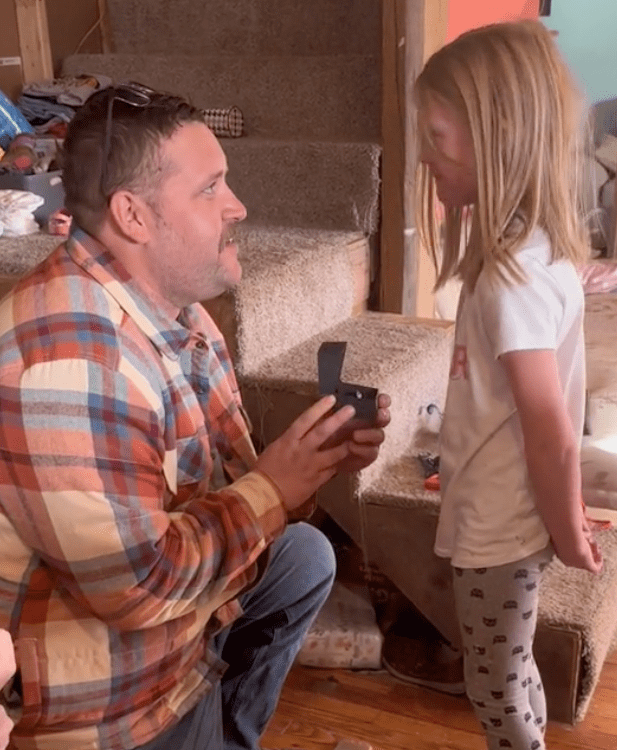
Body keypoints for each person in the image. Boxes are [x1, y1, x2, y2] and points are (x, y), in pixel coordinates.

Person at [0, 84, 390, 750]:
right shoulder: (72, 361)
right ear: (134, 215)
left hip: (180, 626)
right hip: (111, 703)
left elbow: (229, 483)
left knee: (304, 558)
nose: (237, 206)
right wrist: (275, 486)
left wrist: (310, 457)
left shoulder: (183, 316)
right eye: (211, 189)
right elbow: (142, 589)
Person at [415, 20, 603, 750]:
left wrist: (567, 524)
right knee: (511, 665)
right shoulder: (531, 253)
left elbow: (550, 428)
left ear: (499, 136)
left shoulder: (509, 280)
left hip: (503, 527)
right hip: (502, 514)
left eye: (437, 138)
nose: (427, 160)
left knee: (492, 683)